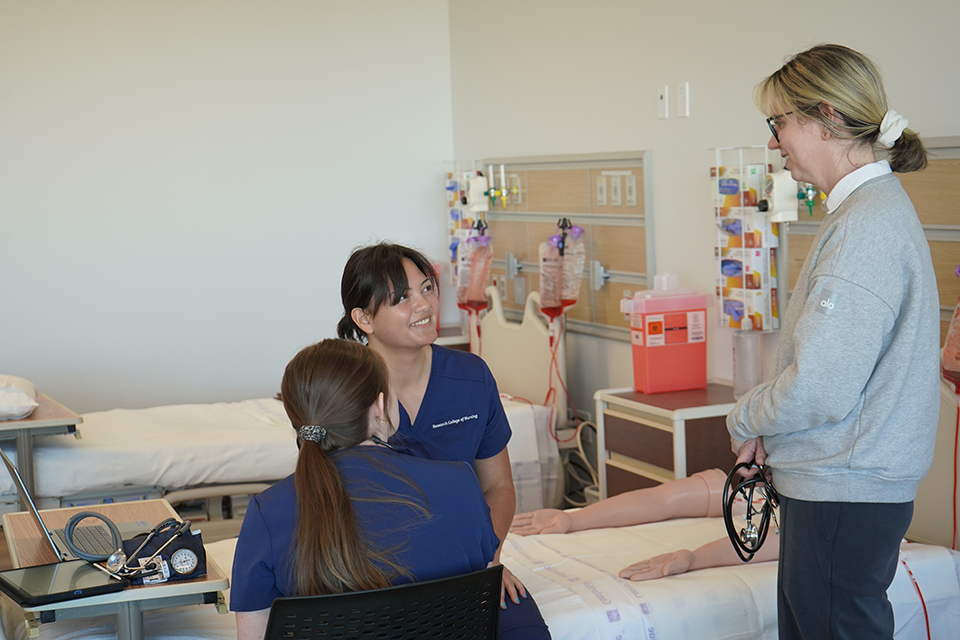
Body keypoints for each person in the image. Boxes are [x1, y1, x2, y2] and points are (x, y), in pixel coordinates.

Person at [727, 44, 940, 640]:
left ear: (825, 118)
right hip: (842, 482)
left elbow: (820, 386)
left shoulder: (864, 229)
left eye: (778, 123)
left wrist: (745, 417)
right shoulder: (867, 213)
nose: (775, 143)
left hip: (845, 489)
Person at [231, 339, 550, 640]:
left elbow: (255, 634)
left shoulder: (266, 514)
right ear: (380, 407)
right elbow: (481, 583)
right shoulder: (459, 485)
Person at [337, 242, 526, 605]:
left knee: (521, 626)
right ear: (364, 319)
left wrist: (486, 557)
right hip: (376, 576)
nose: (424, 305)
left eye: (426, 289)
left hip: (468, 566)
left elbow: (498, 487)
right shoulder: (343, 390)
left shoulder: (471, 377)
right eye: (402, 298)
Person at [509, 468, 779, 581]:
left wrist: (696, 558)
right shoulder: (746, 493)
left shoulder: (798, 512)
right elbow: (661, 500)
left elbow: (783, 538)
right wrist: (574, 519)